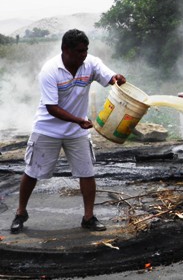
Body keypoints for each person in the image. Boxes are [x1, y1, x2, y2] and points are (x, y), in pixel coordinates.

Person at [10, 29, 126, 234]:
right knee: (32, 171)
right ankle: (20, 213)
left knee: (87, 172)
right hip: (47, 129)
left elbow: (110, 78)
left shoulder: (90, 63)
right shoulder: (50, 70)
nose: (84, 55)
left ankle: (88, 217)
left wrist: (117, 78)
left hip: (78, 131)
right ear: (65, 50)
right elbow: (51, 108)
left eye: (86, 50)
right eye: (80, 51)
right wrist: (78, 120)